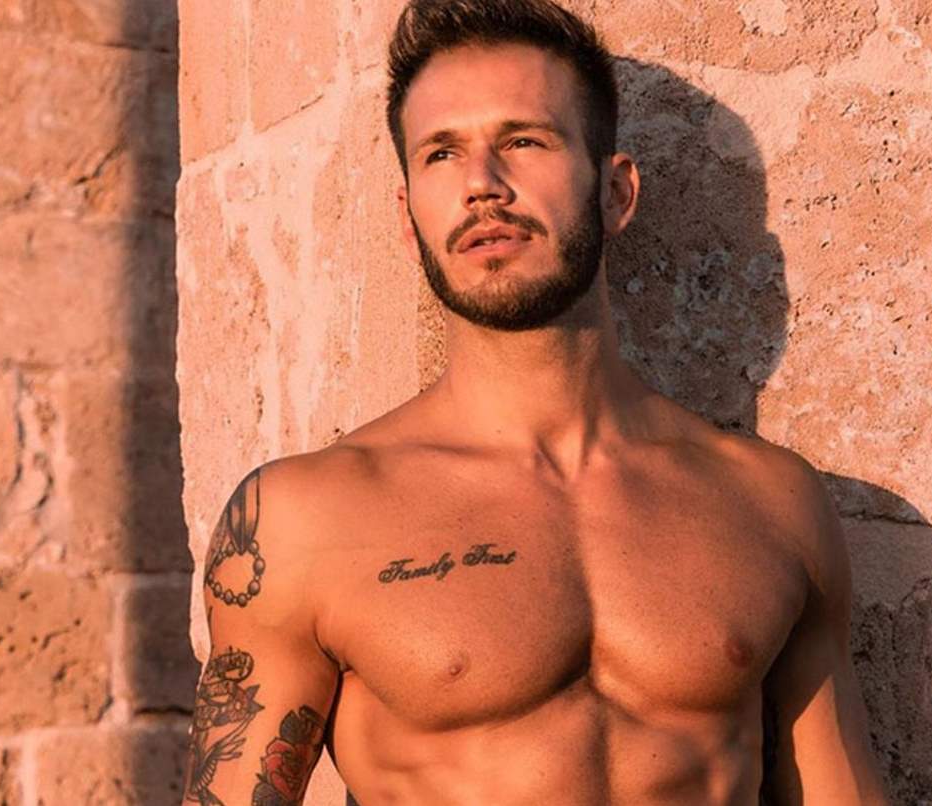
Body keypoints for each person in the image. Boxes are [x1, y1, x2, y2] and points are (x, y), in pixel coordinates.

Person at [182, 0, 890, 803]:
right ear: (408, 219)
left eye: (524, 141)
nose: (482, 185)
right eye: (442, 153)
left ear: (615, 192)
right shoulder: (305, 520)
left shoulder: (771, 503)